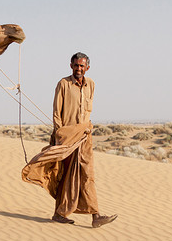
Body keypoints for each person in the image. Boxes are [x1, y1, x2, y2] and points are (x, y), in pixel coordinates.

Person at [21, 52, 118, 228]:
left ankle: (96, 215)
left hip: (84, 137)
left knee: (87, 174)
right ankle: (59, 213)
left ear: (87, 67)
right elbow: (57, 112)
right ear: (71, 66)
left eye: (82, 66)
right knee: (65, 175)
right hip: (66, 137)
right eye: (76, 65)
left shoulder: (92, 85)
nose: (79, 69)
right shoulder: (63, 84)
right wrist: (59, 135)